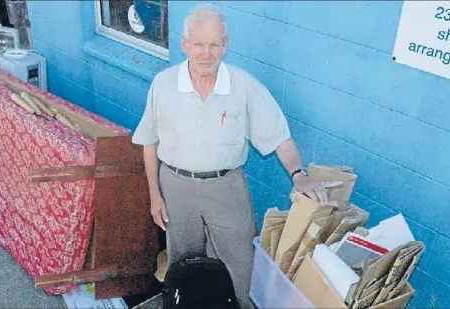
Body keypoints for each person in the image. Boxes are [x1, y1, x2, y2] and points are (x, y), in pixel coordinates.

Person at [132, 4, 334, 308]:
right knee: (182, 265)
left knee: (243, 267)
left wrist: (298, 175)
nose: (206, 53)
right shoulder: (164, 84)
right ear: (185, 44)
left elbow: (281, 138)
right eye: (198, 44)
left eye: (214, 44)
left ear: (225, 45)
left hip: (227, 188)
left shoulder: (244, 87)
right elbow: (149, 141)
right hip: (175, 186)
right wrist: (154, 196)